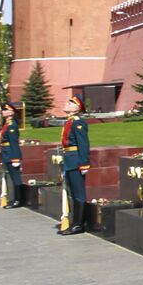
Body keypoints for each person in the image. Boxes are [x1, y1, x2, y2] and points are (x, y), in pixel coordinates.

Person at [58, 93, 91, 235]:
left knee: (78, 194)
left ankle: (78, 225)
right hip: (69, 160)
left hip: (76, 161)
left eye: (70, 102)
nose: (67, 103)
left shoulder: (78, 122)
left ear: (77, 108)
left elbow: (83, 144)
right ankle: (74, 222)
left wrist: (84, 164)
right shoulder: (70, 121)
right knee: (72, 193)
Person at [0, 102, 23, 208]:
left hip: (11, 154)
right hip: (6, 153)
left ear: (11, 112)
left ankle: (18, 200)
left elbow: (14, 143)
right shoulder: (6, 124)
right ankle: (15, 198)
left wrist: (16, 158)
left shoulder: (12, 125)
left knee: (15, 178)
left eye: (5, 110)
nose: (3, 112)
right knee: (12, 177)